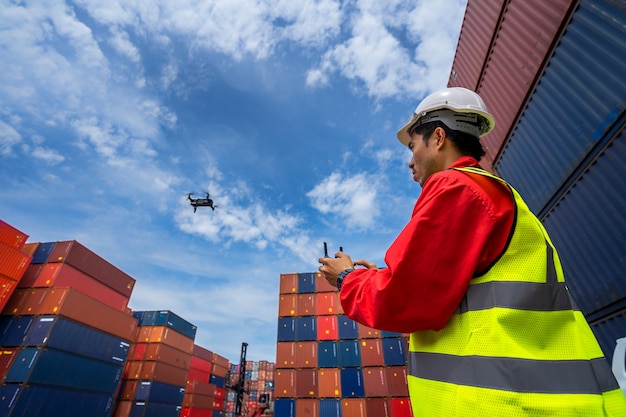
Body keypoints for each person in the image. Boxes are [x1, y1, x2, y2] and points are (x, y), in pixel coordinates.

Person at [318, 87, 626, 416]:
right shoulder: (495, 193)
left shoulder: (457, 188)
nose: (410, 162)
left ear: (437, 137)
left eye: (412, 146)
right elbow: (461, 291)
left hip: (502, 403)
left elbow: (403, 300)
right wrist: (380, 275)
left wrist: (347, 278)